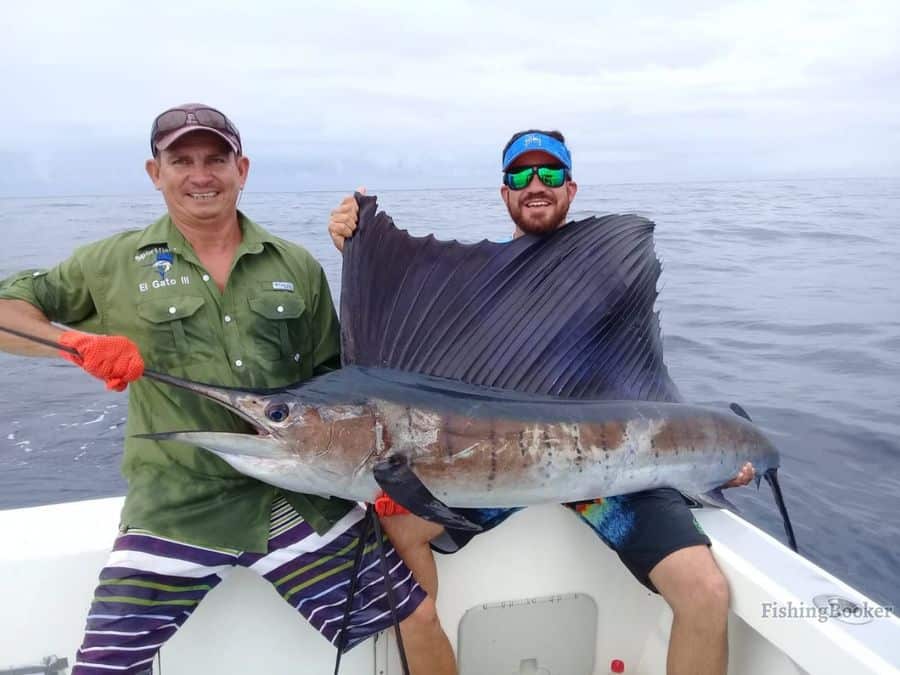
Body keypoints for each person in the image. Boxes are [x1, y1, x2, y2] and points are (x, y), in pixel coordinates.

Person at [0, 104, 455, 675]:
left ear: (242, 168)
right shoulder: (112, 262)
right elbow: (6, 313)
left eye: (216, 159)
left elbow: (338, 386)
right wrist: (75, 346)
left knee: (418, 618)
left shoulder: (295, 265)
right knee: (104, 666)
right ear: (154, 172)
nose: (200, 174)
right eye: (182, 160)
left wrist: (380, 473)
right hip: (176, 506)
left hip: (293, 501)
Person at [327, 129, 756, 675]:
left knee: (705, 590)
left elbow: (648, 395)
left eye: (549, 174)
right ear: (504, 191)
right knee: (398, 536)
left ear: (570, 188)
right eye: (521, 175)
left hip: (608, 478)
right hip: (496, 472)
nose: (536, 184)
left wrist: (713, 461)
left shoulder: (605, 273)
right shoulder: (473, 292)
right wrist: (358, 251)